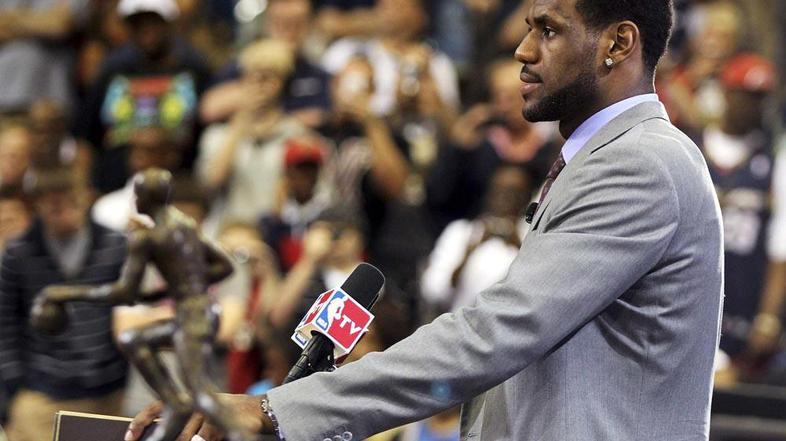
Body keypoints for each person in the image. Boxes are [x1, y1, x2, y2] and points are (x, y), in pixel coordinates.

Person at [128, 1, 725, 440]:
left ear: (618, 43)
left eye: (548, 29)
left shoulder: (640, 164)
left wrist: (273, 409)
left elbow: (496, 335)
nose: (523, 50)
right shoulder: (607, 158)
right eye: (527, 28)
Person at [0, 167, 128, 441]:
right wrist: (14, 386)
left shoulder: (116, 245)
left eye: (73, 202)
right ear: (38, 206)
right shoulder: (18, 252)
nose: (66, 213)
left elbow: (129, 307)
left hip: (109, 390)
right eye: (55, 207)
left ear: (87, 198)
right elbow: (5, 323)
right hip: (41, 394)